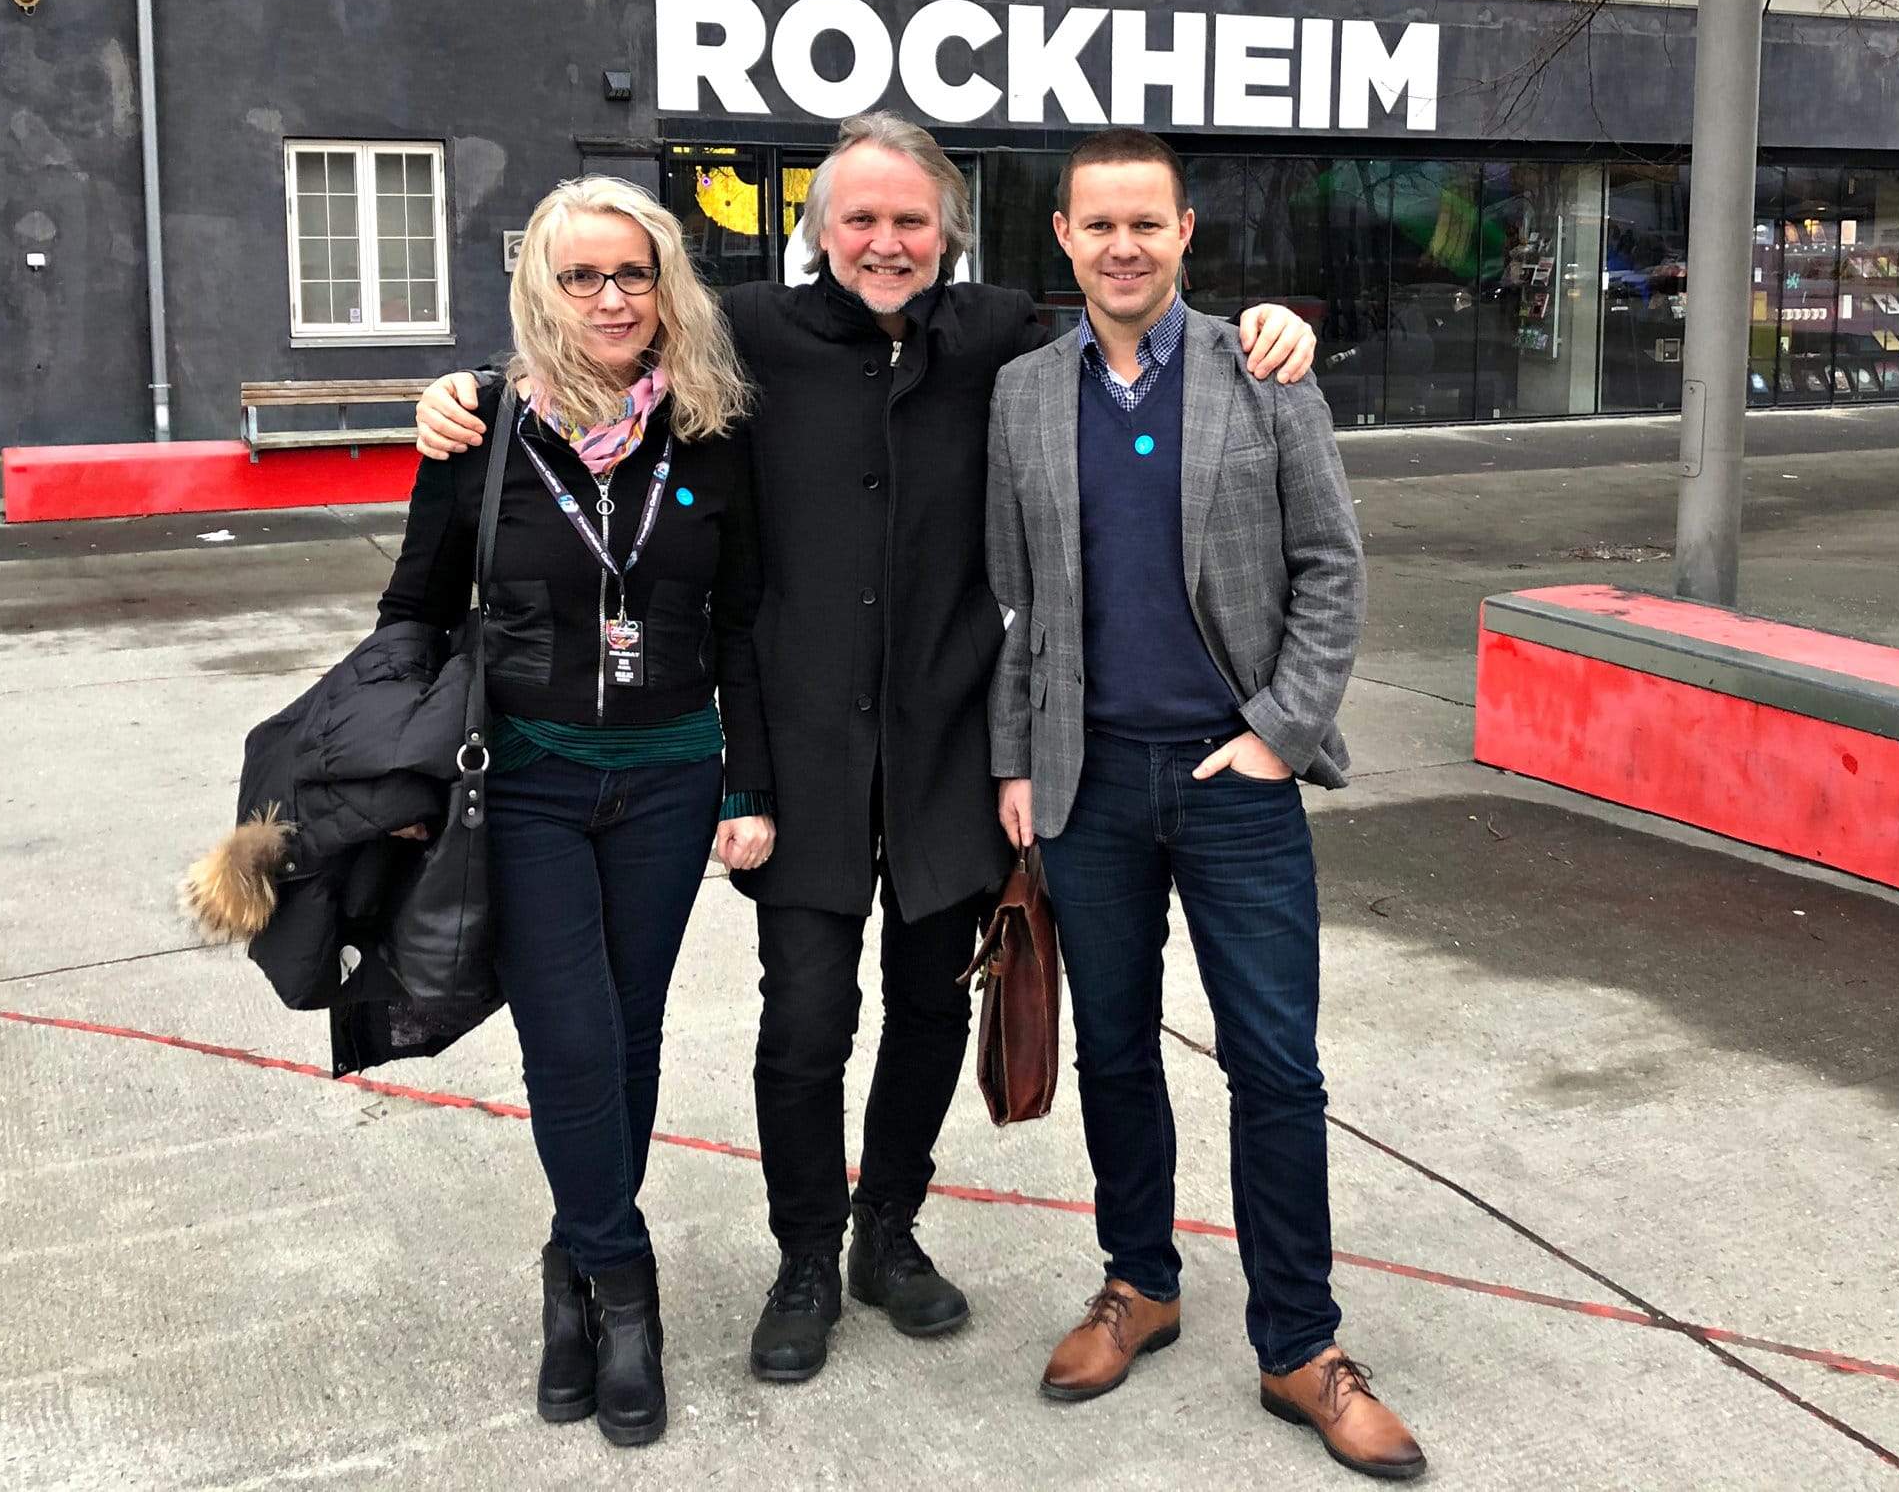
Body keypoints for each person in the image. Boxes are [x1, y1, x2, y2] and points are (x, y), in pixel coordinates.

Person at [413, 114, 1318, 1383]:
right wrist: (463, 387)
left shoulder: (997, 334)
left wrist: (1268, 324)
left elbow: (1131, 313)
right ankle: (803, 1253)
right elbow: (604, 332)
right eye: (861, 219)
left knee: (930, 1007)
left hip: (949, 746)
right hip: (802, 754)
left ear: (947, 233)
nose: (887, 242)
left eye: (911, 220)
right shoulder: (750, 331)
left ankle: (885, 1229)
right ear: (819, 230)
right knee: (804, 1021)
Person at [985, 129, 1424, 1482]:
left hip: (1233, 779)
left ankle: (1300, 1341)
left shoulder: (1264, 370)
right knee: (1114, 1050)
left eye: (1146, 222)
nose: (1121, 245)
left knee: (1276, 1065)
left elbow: (1331, 567)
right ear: (1063, 237)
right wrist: (1014, 757)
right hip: (1086, 780)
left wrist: (1280, 734)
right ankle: (1141, 1281)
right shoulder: (1021, 393)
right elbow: (1012, 598)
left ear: (1185, 233)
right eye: (1098, 223)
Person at [378, 178, 776, 1448]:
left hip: (671, 775)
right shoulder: (480, 429)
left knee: (631, 1030)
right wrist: (394, 774)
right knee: (569, 1034)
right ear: (540, 290)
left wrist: (749, 781)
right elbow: (412, 608)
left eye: (634, 273)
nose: (612, 299)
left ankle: (571, 1266)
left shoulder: (710, 429)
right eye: (583, 276)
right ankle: (625, 1282)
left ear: (667, 286)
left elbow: (744, 622)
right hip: (529, 775)